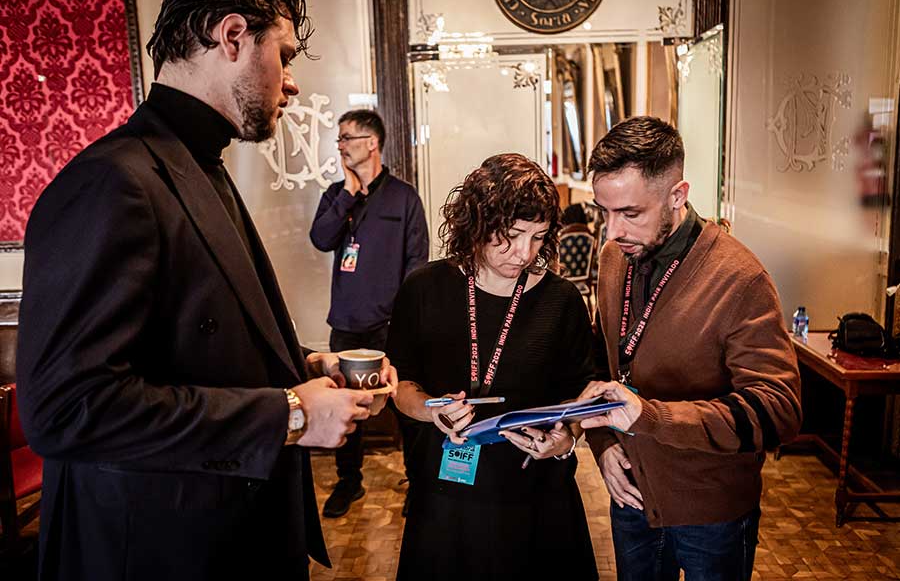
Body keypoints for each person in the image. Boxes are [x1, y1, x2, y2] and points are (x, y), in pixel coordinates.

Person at [15, 0, 396, 580]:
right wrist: (290, 414)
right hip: (162, 552)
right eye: (285, 56)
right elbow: (67, 408)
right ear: (233, 36)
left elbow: (193, 340)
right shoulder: (112, 181)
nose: (291, 83)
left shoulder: (193, 164)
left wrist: (306, 365)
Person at [578, 116, 802, 580]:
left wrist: (651, 417)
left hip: (712, 515)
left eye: (630, 213)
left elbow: (778, 411)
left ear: (677, 195)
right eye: (605, 211)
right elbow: (601, 366)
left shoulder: (740, 278)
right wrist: (603, 446)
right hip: (631, 497)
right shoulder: (614, 258)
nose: (612, 231)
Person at [387, 153, 599, 581]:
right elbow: (400, 383)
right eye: (512, 235)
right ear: (477, 222)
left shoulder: (561, 301)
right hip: (448, 496)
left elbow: (583, 393)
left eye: (538, 237)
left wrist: (567, 438)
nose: (524, 253)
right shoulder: (423, 289)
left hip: (536, 495)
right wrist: (432, 410)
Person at [310, 109, 429, 518]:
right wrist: (348, 192)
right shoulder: (337, 195)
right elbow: (320, 238)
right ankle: (349, 482)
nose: (340, 145)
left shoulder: (404, 197)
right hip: (346, 323)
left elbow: (417, 262)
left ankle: (417, 481)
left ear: (372, 143)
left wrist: (405, 319)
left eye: (347, 137)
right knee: (346, 404)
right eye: (340, 138)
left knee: (404, 404)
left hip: (390, 326)